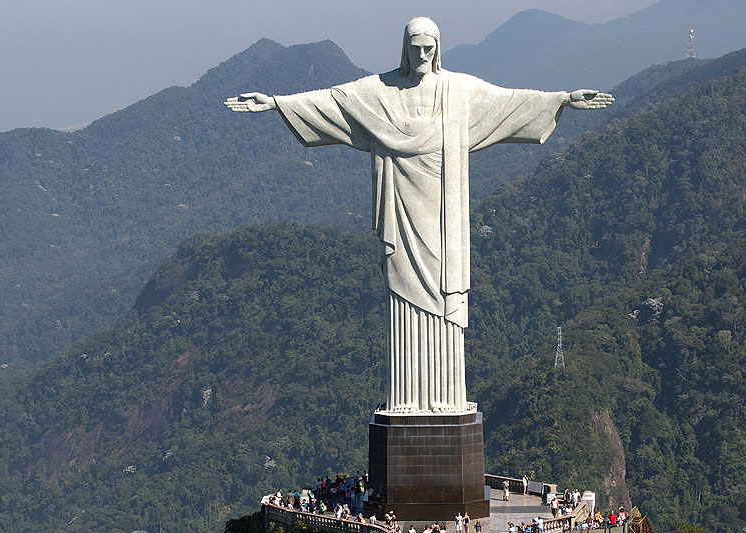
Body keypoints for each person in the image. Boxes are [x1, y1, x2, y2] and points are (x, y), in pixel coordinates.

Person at [226, 17, 612, 413]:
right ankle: (407, 398)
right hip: (402, 211)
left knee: (445, 297)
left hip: (444, 217)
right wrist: (276, 103)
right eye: (416, 48)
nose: (423, 55)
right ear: (405, 49)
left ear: (438, 49)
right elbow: (334, 101)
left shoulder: (458, 90)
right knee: (404, 296)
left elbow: (508, 101)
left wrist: (563, 99)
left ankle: (447, 397)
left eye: (430, 48)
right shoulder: (380, 91)